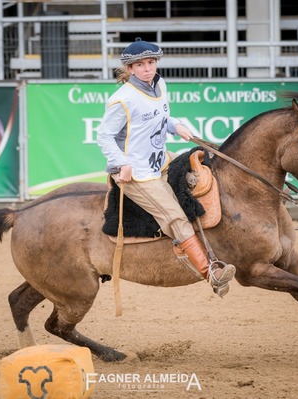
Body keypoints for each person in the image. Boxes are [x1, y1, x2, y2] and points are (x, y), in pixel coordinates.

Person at [96, 38, 236, 297]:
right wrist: (121, 164)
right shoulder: (122, 99)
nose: (148, 68)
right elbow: (103, 136)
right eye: (141, 65)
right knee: (175, 216)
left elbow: (162, 116)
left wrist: (176, 125)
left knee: (203, 173)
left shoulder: (160, 84)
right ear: (130, 69)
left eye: (151, 62)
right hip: (138, 174)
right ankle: (211, 273)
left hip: (162, 160)